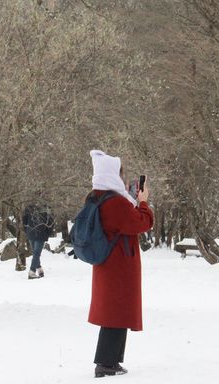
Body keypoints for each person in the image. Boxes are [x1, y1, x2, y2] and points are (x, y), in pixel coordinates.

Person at [87, 150, 153, 378]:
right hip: (119, 266)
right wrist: (143, 203)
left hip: (109, 264)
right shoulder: (115, 202)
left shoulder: (98, 196)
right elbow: (141, 223)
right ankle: (106, 362)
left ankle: (112, 360)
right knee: (115, 313)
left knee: (115, 312)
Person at [22, 203, 54, 279]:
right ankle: (32, 272)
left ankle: (39, 269)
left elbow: (24, 220)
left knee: (35, 253)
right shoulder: (46, 207)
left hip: (32, 232)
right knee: (36, 253)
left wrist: (27, 231)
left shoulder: (29, 206)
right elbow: (50, 223)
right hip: (39, 234)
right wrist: (47, 234)